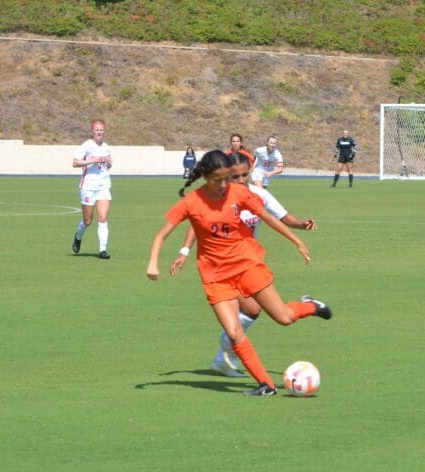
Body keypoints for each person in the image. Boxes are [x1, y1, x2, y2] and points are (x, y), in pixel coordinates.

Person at [146, 150, 331, 396]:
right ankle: (266, 384)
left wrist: (297, 241)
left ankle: (310, 306)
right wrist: (153, 263)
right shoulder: (192, 201)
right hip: (215, 276)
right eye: (218, 180)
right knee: (234, 332)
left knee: (284, 317)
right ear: (205, 177)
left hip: (246, 265)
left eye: (227, 179)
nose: (224, 185)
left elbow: (268, 217)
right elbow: (161, 234)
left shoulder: (239, 192)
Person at [71, 119, 113, 260]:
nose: (99, 132)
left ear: (104, 131)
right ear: (92, 131)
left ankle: (102, 250)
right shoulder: (87, 146)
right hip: (88, 186)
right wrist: (92, 160)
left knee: (103, 217)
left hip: (103, 185)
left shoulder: (106, 147)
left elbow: (109, 165)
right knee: (88, 221)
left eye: (101, 129)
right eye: (96, 130)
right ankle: (78, 236)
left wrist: (108, 162)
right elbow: (75, 162)